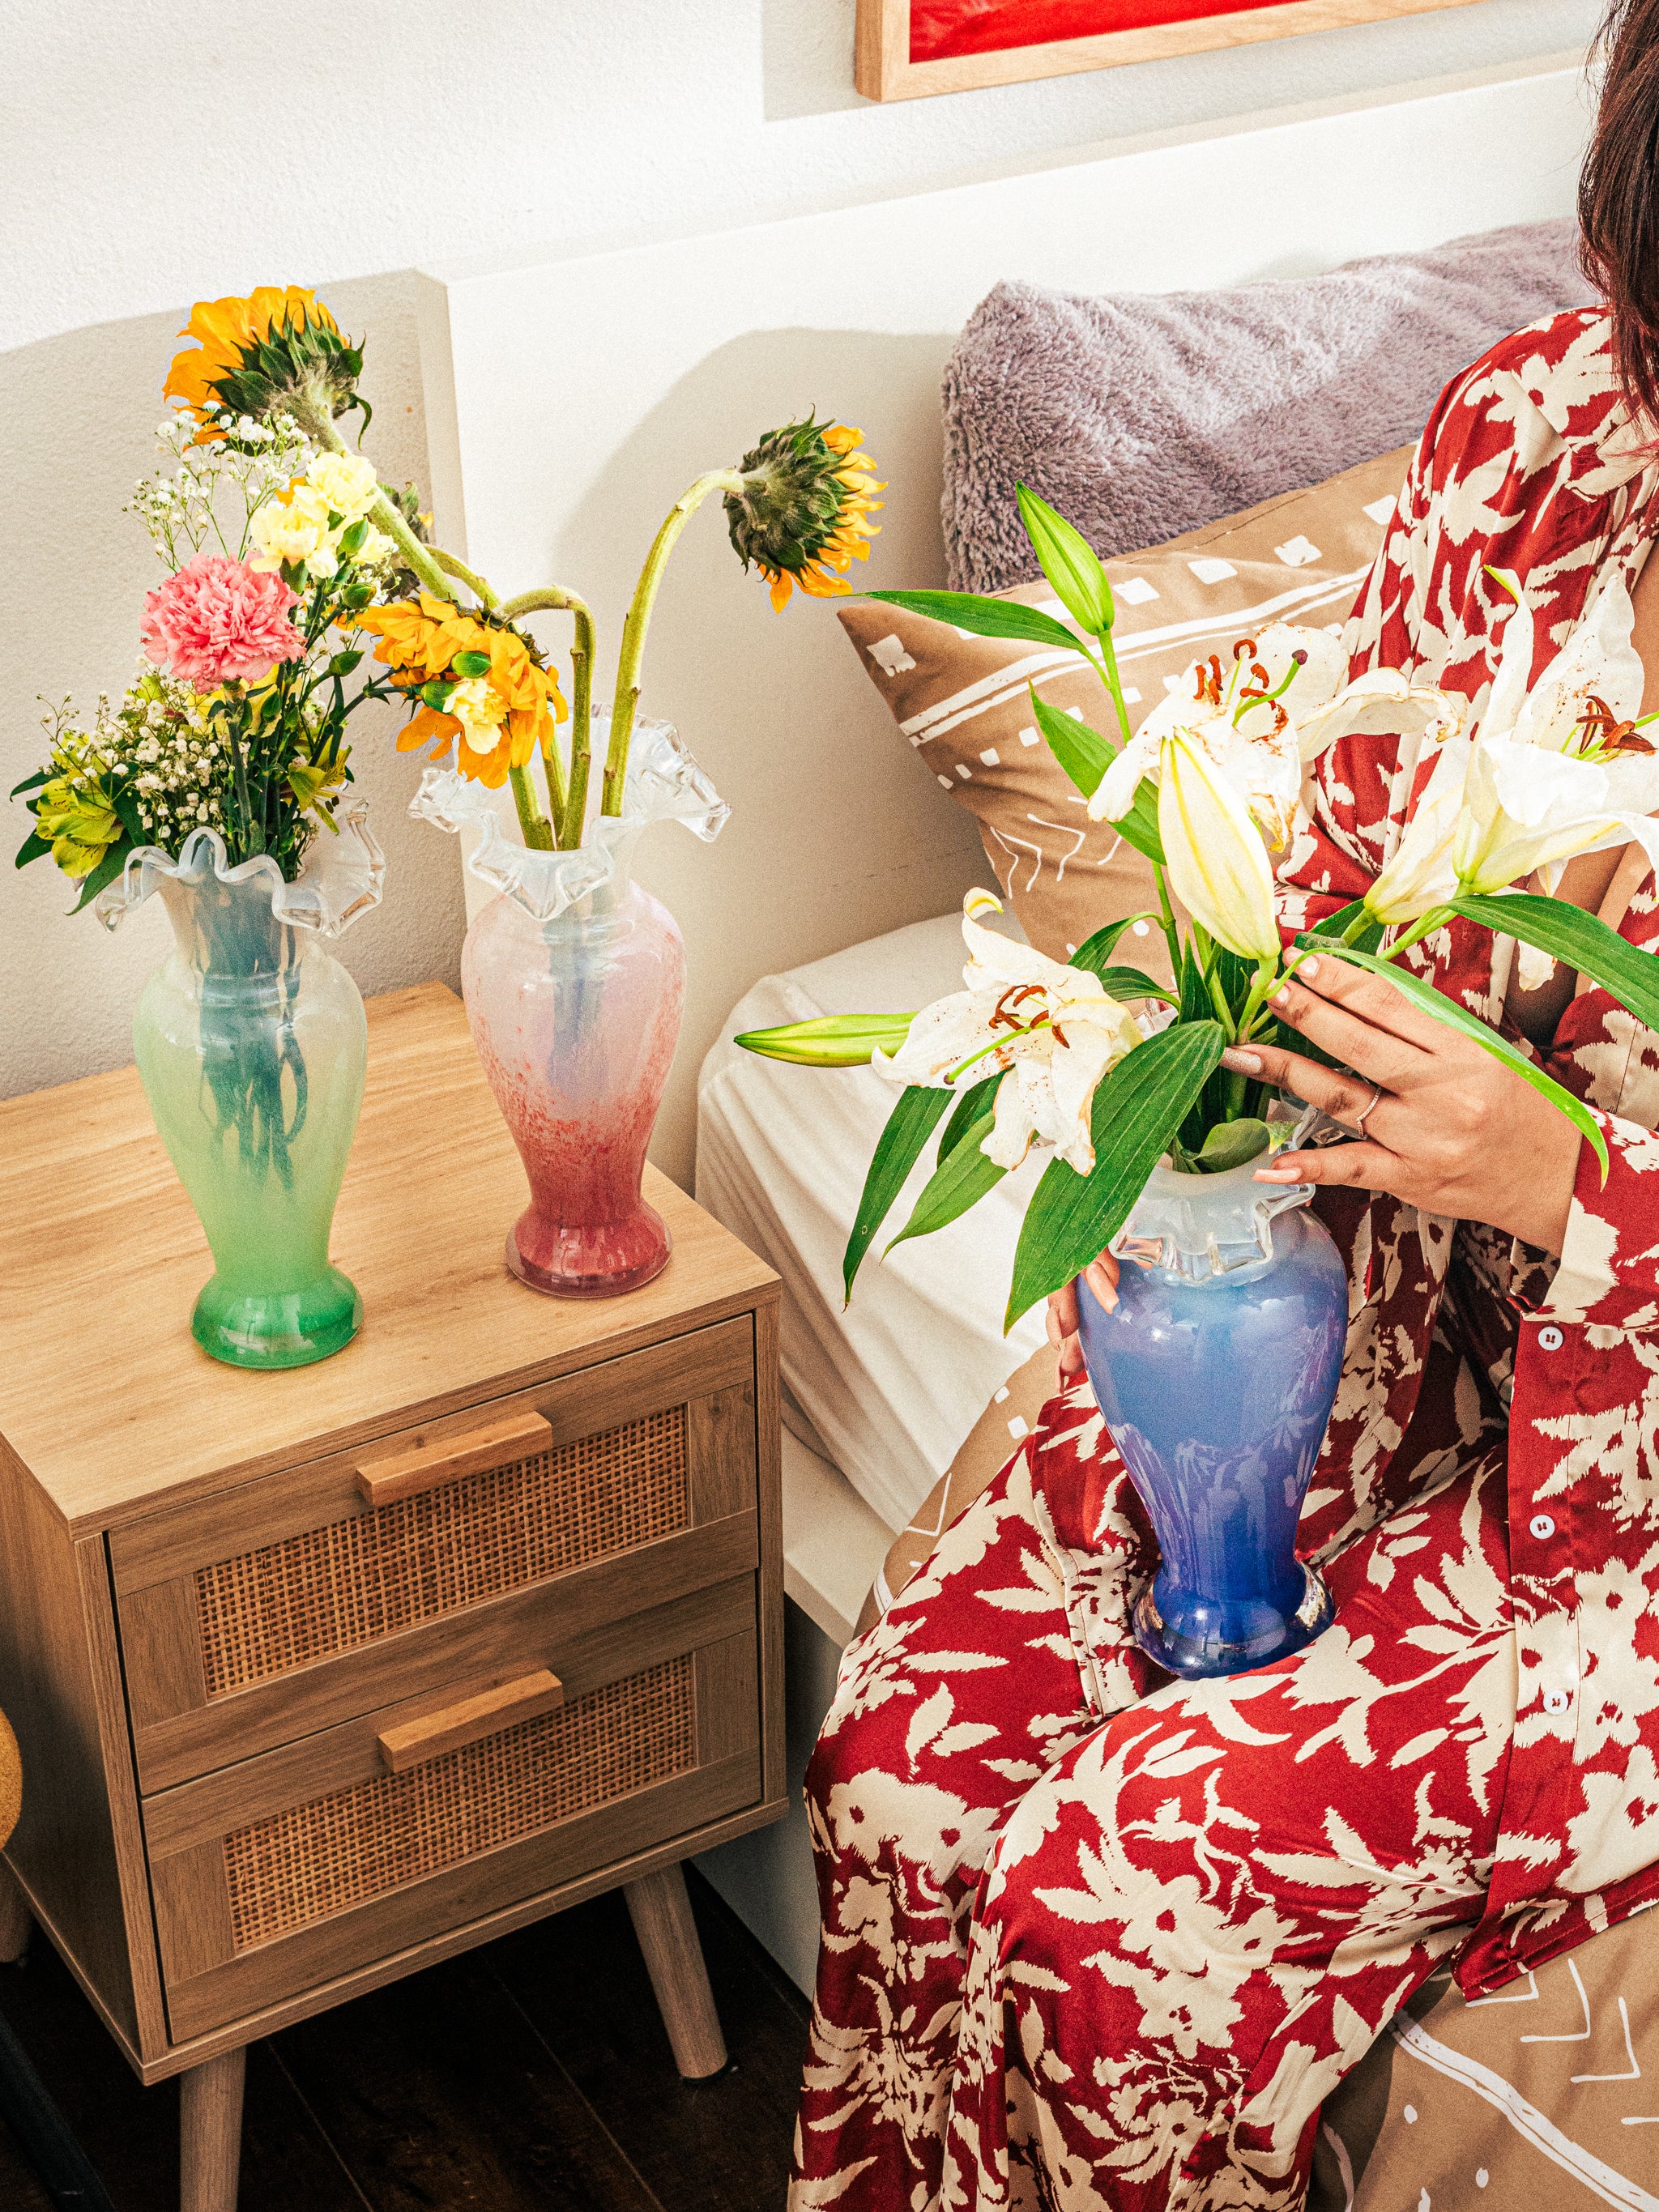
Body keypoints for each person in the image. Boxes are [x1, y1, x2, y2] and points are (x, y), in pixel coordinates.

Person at [787, 6, 1659, 2206]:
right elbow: (1320, 864)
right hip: (1366, 1299)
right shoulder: (1537, 433)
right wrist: (1209, 1014)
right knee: (908, 1745)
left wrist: (1571, 1183)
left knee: (1117, 1910)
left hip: (1626, 1500)